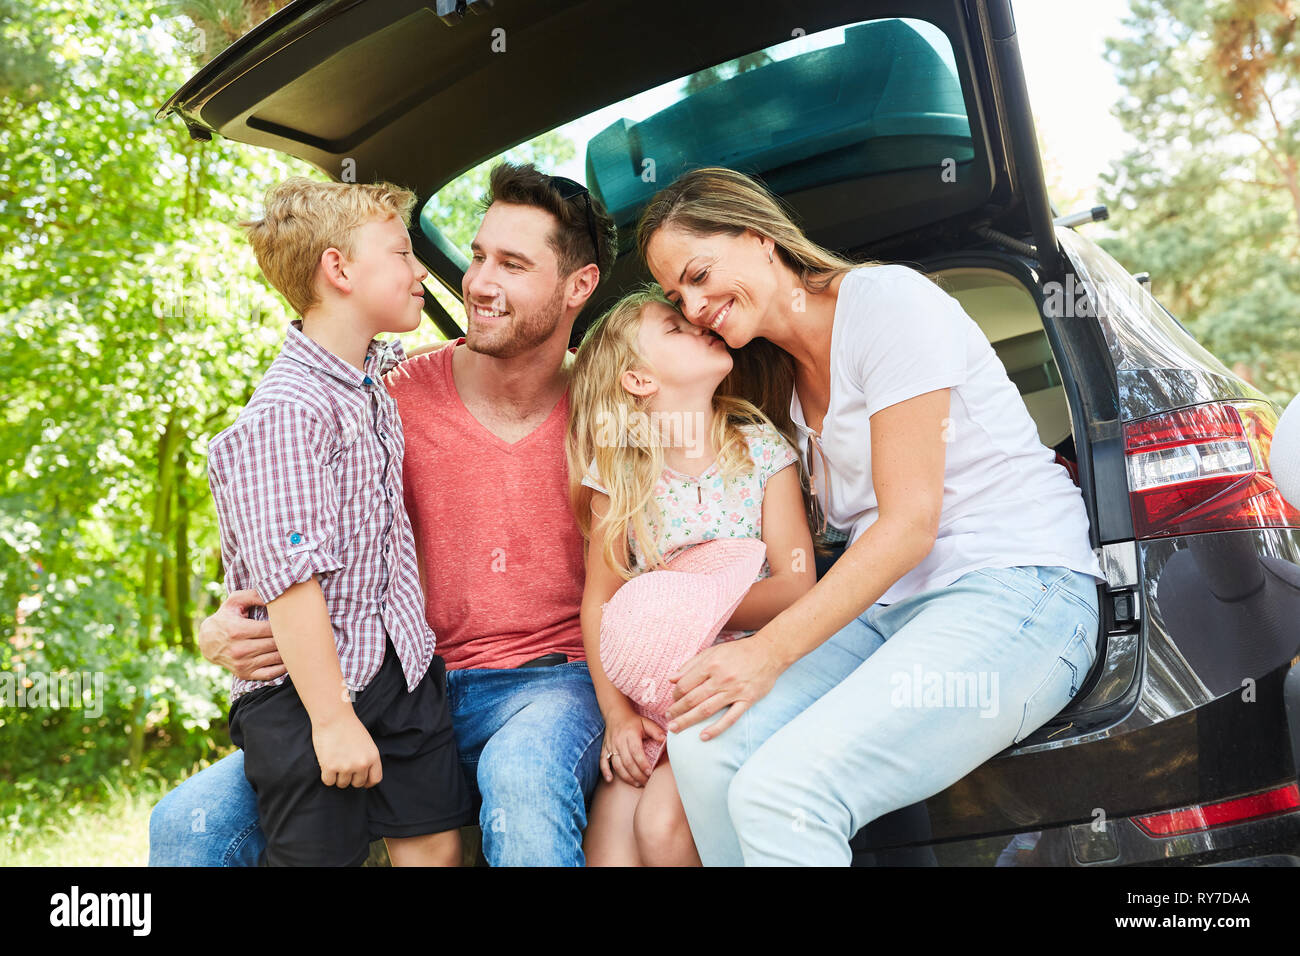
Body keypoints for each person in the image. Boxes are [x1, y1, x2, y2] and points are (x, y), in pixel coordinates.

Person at [148, 162, 620, 867]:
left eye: (512, 264)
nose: (477, 281)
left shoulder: (613, 410)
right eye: (479, 255)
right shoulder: (383, 393)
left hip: (545, 685)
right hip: (397, 679)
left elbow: (680, 555)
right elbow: (280, 539)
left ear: (578, 286)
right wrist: (218, 627)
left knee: (522, 784)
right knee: (186, 822)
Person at [636, 166, 1107, 866]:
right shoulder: (782, 389)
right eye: (679, 296)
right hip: (894, 614)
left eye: (700, 275)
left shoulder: (887, 303)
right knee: (703, 740)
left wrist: (765, 651)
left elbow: (908, 525)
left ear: (760, 236)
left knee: (783, 792)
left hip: (1020, 588)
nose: (697, 304)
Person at [207, 176, 472, 866]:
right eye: (401, 253)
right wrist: (331, 721)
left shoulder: (366, 378)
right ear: (340, 269)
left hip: (398, 667)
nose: (419, 272)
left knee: (437, 846)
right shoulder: (290, 414)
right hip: (307, 689)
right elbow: (292, 583)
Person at [565, 285, 815, 865]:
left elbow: (796, 583)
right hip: (650, 693)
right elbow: (599, 602)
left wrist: (687, 616)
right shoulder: (619, 472)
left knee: (659, 827)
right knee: (610, 854)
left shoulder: (759, 450)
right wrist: (617, 715)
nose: (699, 324)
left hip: (738, 682)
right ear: (639, 381)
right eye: (675, 329)